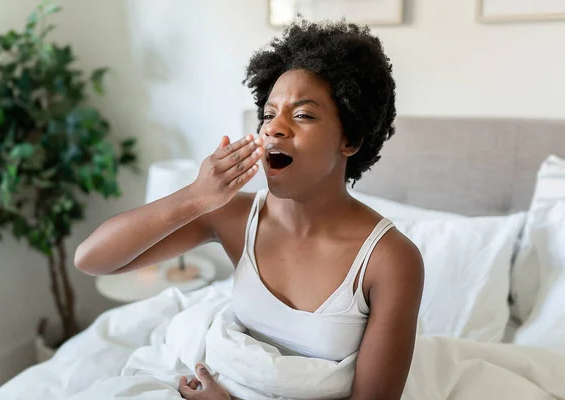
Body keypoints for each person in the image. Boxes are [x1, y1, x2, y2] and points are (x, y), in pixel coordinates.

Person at [75, 18, 424, 400]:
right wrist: (196, 196)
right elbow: (91, 259)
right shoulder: (234, 216)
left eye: (303, 115)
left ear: (351, 140)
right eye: (269, 114)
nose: (275, 128)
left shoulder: (390, 260)